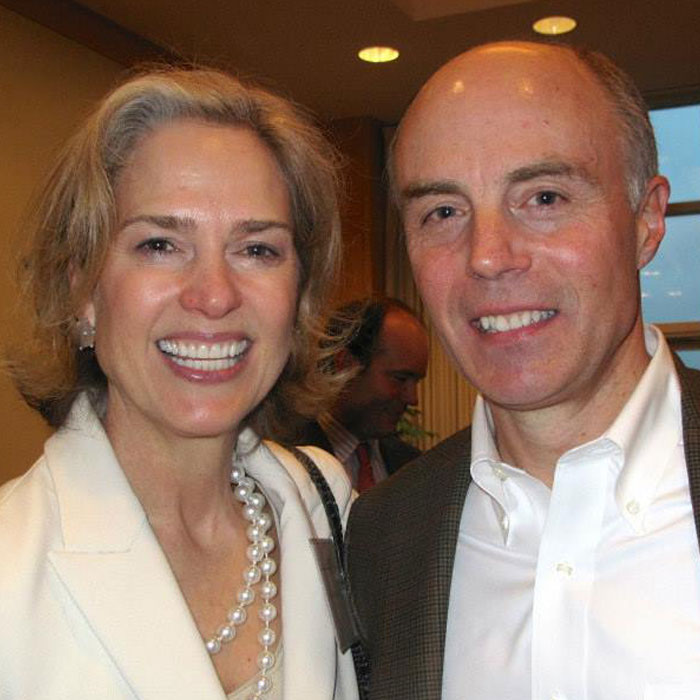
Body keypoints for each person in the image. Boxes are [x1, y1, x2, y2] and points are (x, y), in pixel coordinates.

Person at [346, 40, 700, 699]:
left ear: (647, 222)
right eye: (443, 212)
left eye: (543, 197)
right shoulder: (383, 536)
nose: (487, 256)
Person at [0, 67, 359, 699]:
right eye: (160, 245)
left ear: (298, 296)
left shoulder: (326, 507)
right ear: (83, 291)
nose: (215, 295)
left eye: (257, 250)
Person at [300, 298, 428, 491]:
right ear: (345, 365)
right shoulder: (286, 457)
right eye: (400, 379)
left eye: (416, 381)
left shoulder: (412, 467)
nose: (413, 398)